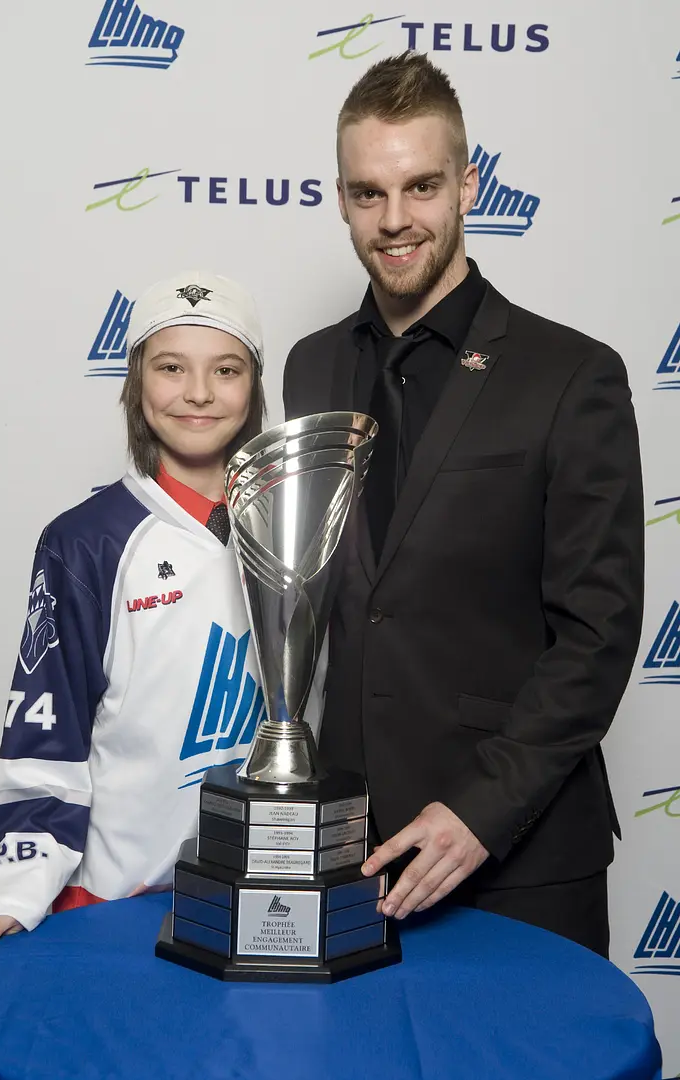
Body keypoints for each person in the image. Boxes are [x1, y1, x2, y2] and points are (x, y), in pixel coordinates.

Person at [283, 52, 644, 955]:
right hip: (348, 857)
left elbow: (597, 634)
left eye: (421, 186)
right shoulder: (310, 367)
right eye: (368, 193)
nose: (395, 220)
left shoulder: (571, 376)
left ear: (468, 184)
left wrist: (482, 813)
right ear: (340, 198)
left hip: (519, 858)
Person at [0, 270, 267, 956]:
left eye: (225, 369)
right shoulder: (85, 541)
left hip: (262, 895)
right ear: (136, 383)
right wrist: (18, 891)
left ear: (253, 386)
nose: (197, 393)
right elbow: (46, 730)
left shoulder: (295, 529)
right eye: (170, 368)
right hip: (119, 904)